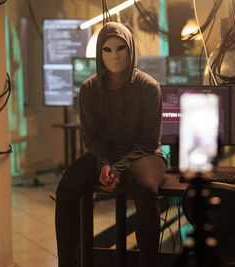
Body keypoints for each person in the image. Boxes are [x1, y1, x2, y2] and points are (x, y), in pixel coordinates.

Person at [55, 22, 167, 267]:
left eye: (121, 48)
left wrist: (117, 169)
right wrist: (104, 163)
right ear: (99, 53)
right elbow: (92, 138)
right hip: (106, 152)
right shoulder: (89, 89)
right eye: (107, 49)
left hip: (145, 153)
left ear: (131, 49)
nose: (114, 55)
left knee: (147, 189)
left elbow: (149, 140)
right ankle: (68, 263)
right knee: (66, 187)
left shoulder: (149, 87)